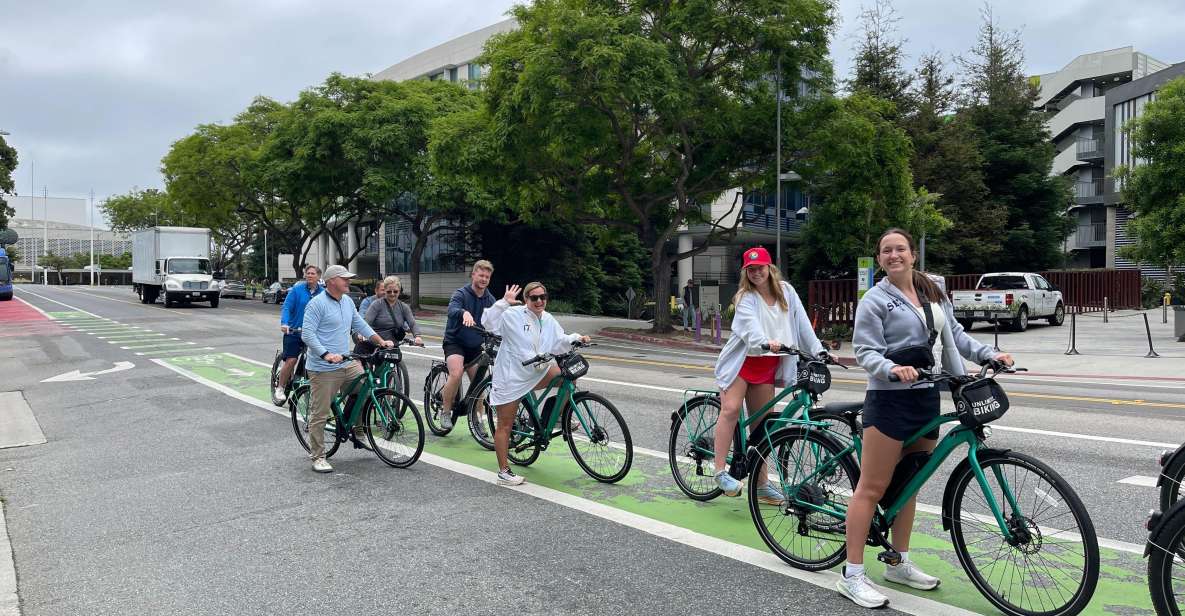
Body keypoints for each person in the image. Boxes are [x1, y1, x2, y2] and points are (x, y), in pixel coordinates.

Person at [839, 228, 1013, 608]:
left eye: (900, 248)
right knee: (871, 487)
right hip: (889, 400)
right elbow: (865, 351)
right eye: (886, 250)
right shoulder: (874, 300)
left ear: (912, 254)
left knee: (910, 486)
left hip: (927, 396)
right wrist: (890, 368)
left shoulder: (933, 291)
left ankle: (898, 561)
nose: (894, 255)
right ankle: (852, 574)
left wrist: (989, 355)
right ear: (880, 258)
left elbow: (955, 335)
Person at [711, 246, 827, 503]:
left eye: (760, 267)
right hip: (742, 363)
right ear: (745, 272)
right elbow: (749, 329)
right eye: (750, 269)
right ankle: (719, 471)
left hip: (767, 366)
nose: (755, 273)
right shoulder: (745, 297)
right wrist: (765, 341)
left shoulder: (787, 292)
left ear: (769, 267)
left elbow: (802, 324)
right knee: (730, 410)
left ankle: (761, 484)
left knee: (762, 427)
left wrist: (819, 351)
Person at [482, 281, 589, 486]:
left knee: (570, 375)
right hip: (512, 377)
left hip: (537, 372)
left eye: (543, 297)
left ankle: (556, 417)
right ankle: (504, 471)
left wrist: (578, 338)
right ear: (526, 300)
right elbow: (489, 323)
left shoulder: (547, 319)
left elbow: (559, 340)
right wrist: (503, 303)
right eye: (534, 298)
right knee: (505, 425)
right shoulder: (512, 315)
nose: (539, 301)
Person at [301, 264, 394, 474]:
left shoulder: (348, 302)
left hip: (346, 361)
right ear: (332, 280)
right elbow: (307, 335)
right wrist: (325, 354)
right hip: (324, 367)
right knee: (320, 413)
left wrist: (380, 341)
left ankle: (358, 432)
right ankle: (318, 455)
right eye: (345, 278)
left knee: (365, 388)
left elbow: (360, 324)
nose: (349, 282)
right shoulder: (317, 304)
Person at [438, 260, 496, 430]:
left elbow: (496, 320)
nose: (484, 279)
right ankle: (446, 412)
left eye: (487, 276)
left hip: (474, 345)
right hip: (455, 342)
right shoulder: (461, 294)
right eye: (481, 275)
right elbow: (451, 310)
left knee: (479, 384)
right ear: (473, 275)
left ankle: (478, 420)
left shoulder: (489, 299)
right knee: (456, 374)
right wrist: (464, 312)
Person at [275, 265, 323, 404]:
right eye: (307, 273)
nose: (309, 275)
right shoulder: (297, 290)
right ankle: (280, 387)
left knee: (317, 361)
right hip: (294, 331)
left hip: (313, 334)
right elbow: (287, 307)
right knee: (291, 360)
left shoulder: (323, 293)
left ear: (318, 277)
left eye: (313, 273)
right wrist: (285, 323)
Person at [363, 275, 423, 346]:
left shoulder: (404, 307)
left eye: (395, 291)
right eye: (389, 292)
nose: (392, 294)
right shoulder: (376, 304)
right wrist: (362, 335)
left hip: (394, 345)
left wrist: (417, 336)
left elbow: (412, 323)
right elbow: (366, 323)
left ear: (399, 291)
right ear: (385, 290)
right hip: (376, 345)